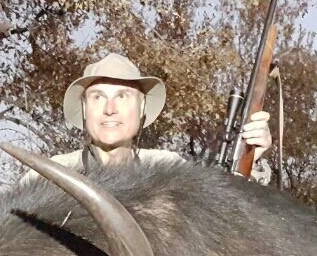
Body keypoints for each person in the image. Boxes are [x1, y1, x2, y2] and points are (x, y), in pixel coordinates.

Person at [43, 52, 273, 182]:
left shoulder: (169, 168)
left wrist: (251, 159)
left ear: (142, 108)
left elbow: (224, 220)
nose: (110, 108)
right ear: (84, 109)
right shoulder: (48, 175)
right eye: (97, 97)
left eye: (122, 96)